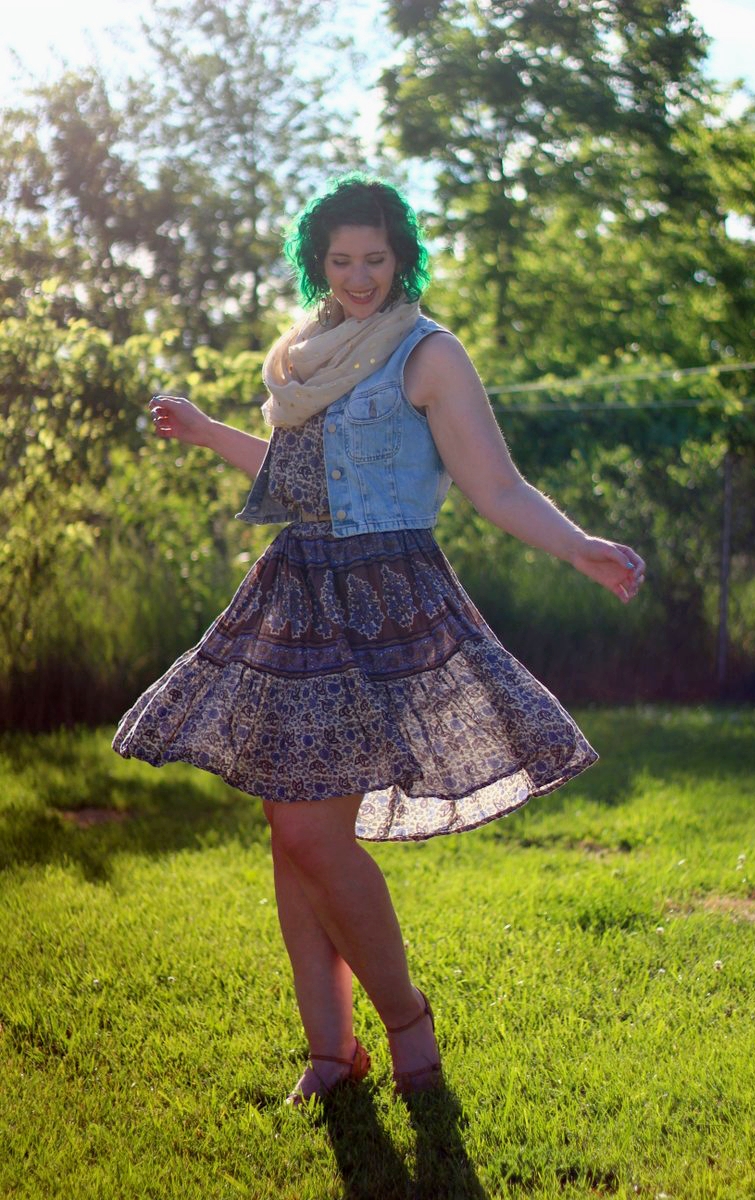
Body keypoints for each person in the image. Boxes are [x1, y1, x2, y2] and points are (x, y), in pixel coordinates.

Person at [113, 174, 645, 1107]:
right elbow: (296, 482)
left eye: (375, 259)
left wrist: (578, 547)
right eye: (341, 260)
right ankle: (331, 1052)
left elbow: (496, 485)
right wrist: (206, 434)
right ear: (316, 263)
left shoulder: (428, 353)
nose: (359, 277)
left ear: (402, 259)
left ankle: (407, 1023)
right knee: (290, 827)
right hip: (296, 590)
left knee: (312, 831)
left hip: (385, 598)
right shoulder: (305, 355)